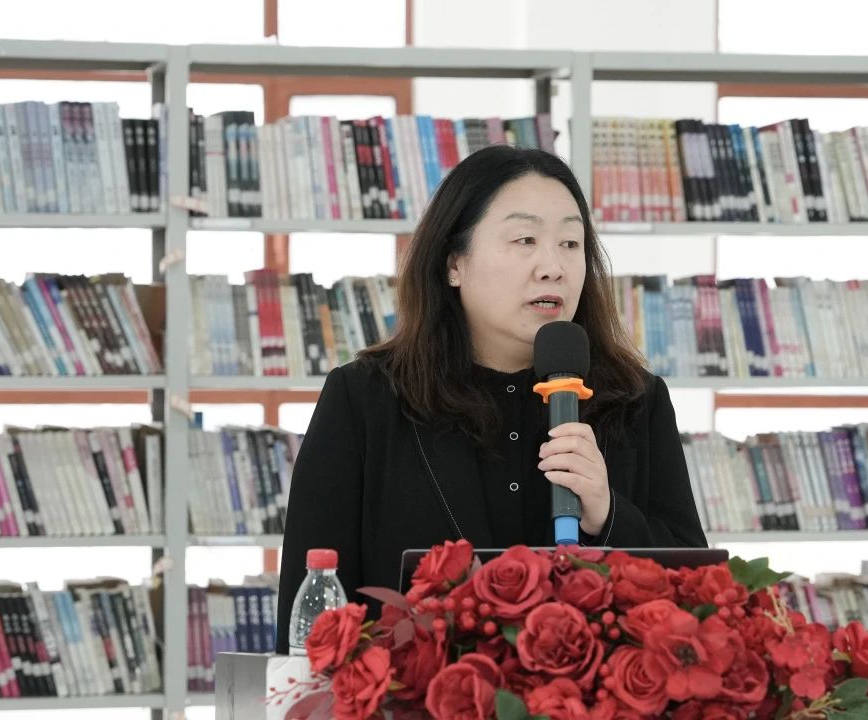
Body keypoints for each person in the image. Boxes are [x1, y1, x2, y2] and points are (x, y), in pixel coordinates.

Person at [275, 144, 707, 653]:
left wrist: (608, 514)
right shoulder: (366, 399)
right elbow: (310, 624)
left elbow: (697, 595)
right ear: (454, 262)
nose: (553, 267)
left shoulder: (635, 400)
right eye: (525, 240)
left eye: (571, 243)